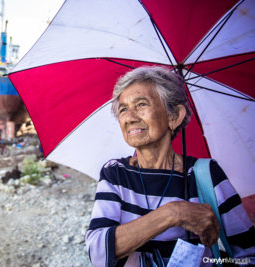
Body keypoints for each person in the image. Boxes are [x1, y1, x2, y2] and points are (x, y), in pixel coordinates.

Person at [86, 66, 255, 266]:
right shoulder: (116, 173)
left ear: (174, 116)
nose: (129, 117)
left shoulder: (205, 175)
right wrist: (173, 213)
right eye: (123, 109)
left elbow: (247, 255)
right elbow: (97, 252)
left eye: (141, 104)